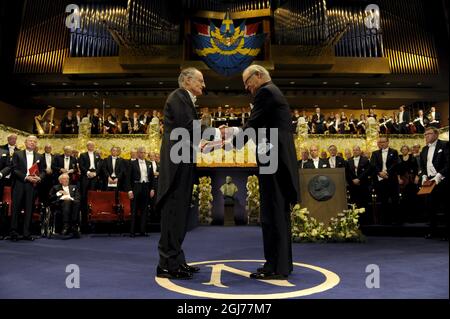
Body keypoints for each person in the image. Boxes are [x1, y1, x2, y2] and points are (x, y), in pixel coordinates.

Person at [226, 65, 300, 280]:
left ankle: (275, 268)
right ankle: (282, 264)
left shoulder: (265, 92)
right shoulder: (274, 92)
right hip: (278, 160)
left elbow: (252, 125)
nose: (247, 87)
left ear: (258, 76)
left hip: (273, 161)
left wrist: (227, 146)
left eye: (247, 82)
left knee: (272, 214)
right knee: (279, 215)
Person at [156, 67, 207, 280]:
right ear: (187, 81)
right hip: (176, 166)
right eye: (200, 81)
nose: (203, 85)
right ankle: (167, 264)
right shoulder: (178, 97)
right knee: (173, 214)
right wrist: (215, 133)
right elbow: (189, 129)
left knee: (179, 215)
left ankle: (177, 260)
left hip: (183, 163)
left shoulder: (184, 98)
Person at [9, 135, 45, 241]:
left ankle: (26, 233)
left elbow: (43, 171)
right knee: (16, 209)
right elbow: (14, 169)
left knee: (29, 209)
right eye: (30, 141)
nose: (32, 143)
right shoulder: (17, 154)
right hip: (19, 185)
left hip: (32, 186)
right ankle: (14, 233)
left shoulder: (40, 156)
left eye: (34, 141)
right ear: (25, 142)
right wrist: (26, 177)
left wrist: (39, 178)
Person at [420, 127, 448, 239]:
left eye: (429, 134)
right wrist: (423, 175)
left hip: (443, 179)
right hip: (429, 181)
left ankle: (447, 233)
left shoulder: (445, 145)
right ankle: (432, 231)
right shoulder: (424, 149)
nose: (426, 136)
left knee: (446, 207)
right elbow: (422, 165)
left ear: (436, 134)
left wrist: (439, 175)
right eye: (425, 134)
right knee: (430, 207)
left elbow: (448, 163)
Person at [370, 137, 400, 225]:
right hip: (380, 180)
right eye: (380, 142)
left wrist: (386, 173)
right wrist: (380, 173)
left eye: (383, 142)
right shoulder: (375, 153)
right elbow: (373, 165)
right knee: (383, 201)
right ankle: (385, 221)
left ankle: (396, 220)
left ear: (387, 142)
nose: (382, 143)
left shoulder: (394, 152)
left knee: (395, 200)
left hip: (391, 179)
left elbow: (395, 164)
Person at [127, 146, 154, 237]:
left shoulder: (149, 163)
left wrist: (152, 189)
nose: (143, 154)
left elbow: (152, 178)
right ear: (138, 153)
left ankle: (143, 231)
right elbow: (128, 178)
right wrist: (129, 191)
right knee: (134, 210)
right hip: (135, 187)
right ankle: (132, 232)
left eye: (144, 152)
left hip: (146, 187)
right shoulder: (132, 163)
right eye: (141, 152)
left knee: (144, 210)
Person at [49, 173, 81, 237]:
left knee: (76, 202)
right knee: (66, 202)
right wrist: (58, 194)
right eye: (64, 179)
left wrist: (70, 198)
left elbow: (78, 197)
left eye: (68, 178)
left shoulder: (74, 187)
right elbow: (50, 198)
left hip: (73, 204)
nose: (66, 180)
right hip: (60, 205)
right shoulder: (55, 187)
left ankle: (73, 226)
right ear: (60, 181)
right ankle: (66, 226)